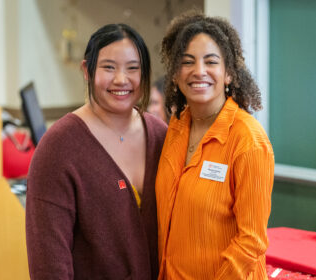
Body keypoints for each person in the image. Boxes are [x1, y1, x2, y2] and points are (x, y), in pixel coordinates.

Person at [26, 23, 167, 280]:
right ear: (87, 70)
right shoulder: (58, 148)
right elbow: (49, 265)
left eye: (133, 68)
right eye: (109, 67)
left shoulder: (161, 135)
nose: (121, 79)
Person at [155, 11, 274, 279]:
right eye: (187, 62)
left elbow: (252, 240)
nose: (199, 71)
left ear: (228, 73)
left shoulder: (248, 140)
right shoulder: (176, 127)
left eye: (211, 61)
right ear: (175, 74)